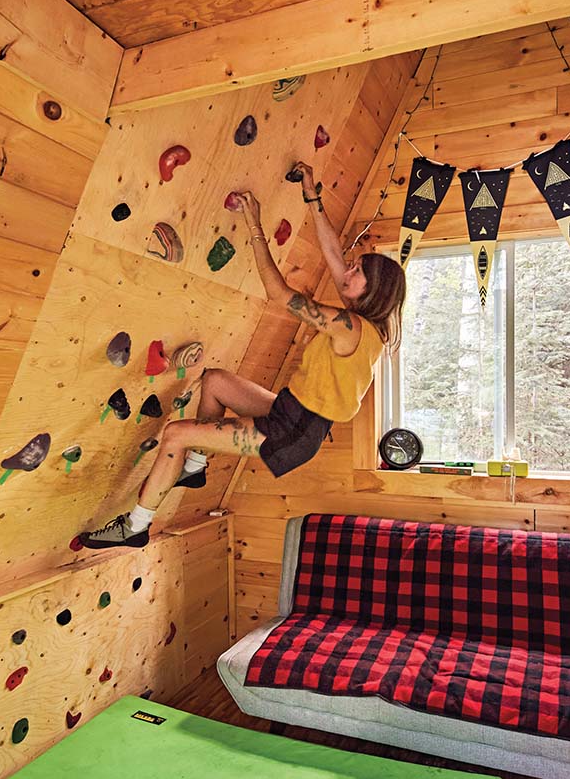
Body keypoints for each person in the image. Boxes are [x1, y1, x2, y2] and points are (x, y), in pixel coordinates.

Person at [80, 162, 406, 549]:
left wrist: (254, 225)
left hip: (292, 432)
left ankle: (135, 525)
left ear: (371, 291)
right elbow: (333, 250)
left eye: (356, 272)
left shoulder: (349, 326)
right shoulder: (360, 321)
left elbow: (280, 295)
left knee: (175, 434)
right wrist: (312, 194)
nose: (346, 271)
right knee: (215, 382)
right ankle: (196, 468)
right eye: (352, 267)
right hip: (293, 411)